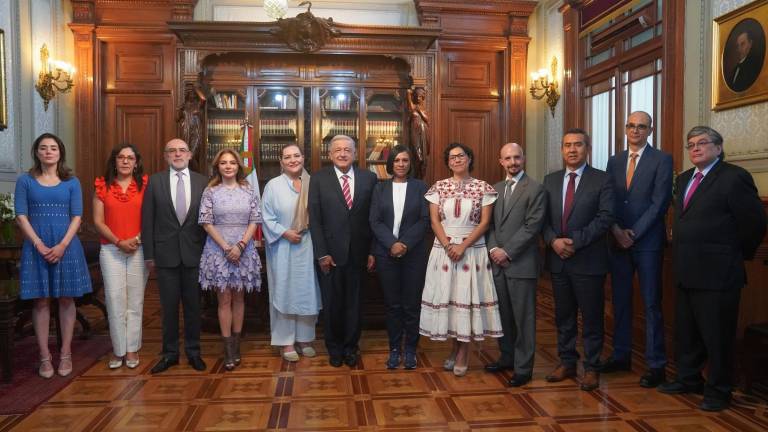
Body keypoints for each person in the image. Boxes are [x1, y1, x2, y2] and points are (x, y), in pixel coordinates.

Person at [658, 126, 766, 412]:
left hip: (719, 273)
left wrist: (733, 255)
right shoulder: (683, 179)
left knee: (718, 336)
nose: (695, 148)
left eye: (702, 143)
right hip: (685, 270)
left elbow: (754, 223)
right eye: (690, 144)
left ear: (718, 148)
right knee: (687, 332)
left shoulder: (734, 177)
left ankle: (719, 391)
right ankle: (688, 378)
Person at [601, 111, 672, 388]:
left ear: (650, 131)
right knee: (619, 301)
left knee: (652, 304)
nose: (635, 131)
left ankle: (656, 365)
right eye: (631, 126)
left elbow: (660, 202)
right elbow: (608, 199)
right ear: (625, 128)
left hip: (648, 243)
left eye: (641, 127)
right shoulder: (615, 160)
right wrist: (617, 231)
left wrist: (635, 234)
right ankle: (621, 355)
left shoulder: (662, 160)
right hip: (617, 240)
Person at [419, 143, 502, 377]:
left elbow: (485, 223)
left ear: (469, 158)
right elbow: (434, 221)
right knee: (451, 299)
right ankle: (455, 348)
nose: (457, 160)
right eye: (452, 157)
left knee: (465, 298)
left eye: (461, 155)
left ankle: (464, 352)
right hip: (443, 251)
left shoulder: (483, 187)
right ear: (448, 162)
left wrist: (463, 245)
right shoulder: (438, 187)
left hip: (471, 251)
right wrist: (448, 245)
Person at [14, 133, 92, 378]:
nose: (48, 152)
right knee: (40, 300)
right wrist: (38, 244)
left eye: (53, 148)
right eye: (44, 148)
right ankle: (44, 356)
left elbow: (77, 216)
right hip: (36, 248)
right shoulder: (25, 181)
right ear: (37, 152)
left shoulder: (72, 182)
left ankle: (66, 352)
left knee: (67, 299)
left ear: (60, 153)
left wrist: (62, 245)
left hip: (66, 247)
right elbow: (20, 215)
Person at [542, 129, 614, 391]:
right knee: (564, 316)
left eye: (578, 145)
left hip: (588, 259)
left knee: (592, 317)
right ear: (562, 150)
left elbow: (605, 218)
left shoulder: (602, 180)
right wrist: (553, 241)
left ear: (587, 148)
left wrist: (574, 241)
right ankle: (567, 361)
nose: (572, 150)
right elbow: (543, 220)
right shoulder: (550, 180)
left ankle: (592, 367)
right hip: (558, 260)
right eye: (567, 145)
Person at [308, 135, 378, 368]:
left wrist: (372, 251)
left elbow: (373, 219)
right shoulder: (318, 179)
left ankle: (351, 347)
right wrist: (321, 253)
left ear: (355, 153)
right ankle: (334, 348)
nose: (342, 153)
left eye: (347, 150)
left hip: (359, 254)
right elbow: (315, 220)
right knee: (332, 305)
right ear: (330, 154)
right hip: (331, 255)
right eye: (337, 150)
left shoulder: (370, 178)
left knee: (354, 305)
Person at [142, 138, 208, 374]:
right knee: (168, 308)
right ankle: (169, 354)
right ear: (165, 156)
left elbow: (209, 220)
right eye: (172, 151)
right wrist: (148, 255)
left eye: (182, 150)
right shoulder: (154, 182)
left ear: (190, 155)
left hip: (195, 254)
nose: (177, 154)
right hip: (165, 255)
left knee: (193, 307)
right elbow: (147, 220)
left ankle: (194, 352)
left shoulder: (204, 182)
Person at [485, 143, 546, 387]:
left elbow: (533, 226)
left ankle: (523, 368)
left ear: (524, 158)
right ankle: (507, 357)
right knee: (503, 317)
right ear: (501, 161)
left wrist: (507, 252)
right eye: (508, 158)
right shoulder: (496, 189)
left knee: (524, 319)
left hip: (521, 264)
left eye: (517, 157)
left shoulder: (536, 189)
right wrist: (492, 250)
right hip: (497, 264)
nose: (513, 162)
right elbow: (488, 225)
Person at [198, 149, 262, 370]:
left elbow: (255, 219)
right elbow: (206, 222)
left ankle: (236, 345)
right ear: (218, 166)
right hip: (218, 250)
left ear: (238, 166)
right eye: (223, 163)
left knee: (239, 299)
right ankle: (227, 349)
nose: (228, 166)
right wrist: (226, 248)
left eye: (232, 163)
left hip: (244, 249)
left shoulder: (248, 190)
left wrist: (241, 245)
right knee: (224, 300)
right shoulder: (210, 192)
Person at [369, 145, 429, 369]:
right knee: (393, 305)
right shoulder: (379, 188)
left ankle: (411, 349)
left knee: (412, 305)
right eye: (397, 160)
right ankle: (394, 349)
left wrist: (404, 244)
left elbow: (425, 220)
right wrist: (392, 244)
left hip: (413, 254)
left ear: (410, 163)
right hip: (386, 254)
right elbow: (374, 221)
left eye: (405, 160)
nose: (401, 164)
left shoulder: (421, 187)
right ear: (390, 164)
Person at [262, 144, 321, 362]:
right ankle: (285, 341)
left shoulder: (312, 183)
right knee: (283, 291)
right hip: (282, 245)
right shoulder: (273, 186)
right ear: (281, 162)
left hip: (308, 244)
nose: (293, 160)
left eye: (296, 155)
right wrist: (284, 233)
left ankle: (305, 338)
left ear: (303, 158)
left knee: (306, 291)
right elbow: (266, 216)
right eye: (287, 157)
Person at [92, 143, 149, 370]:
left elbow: (151, 216)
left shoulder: (145, 185)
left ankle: (132, 348)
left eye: (130, 158)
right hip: (110, 250)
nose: (125, 161)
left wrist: (136, 240)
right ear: (114, 161)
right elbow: (98, 221)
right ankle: (118, 349)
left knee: (135, 300)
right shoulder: (101, 186)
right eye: (121, 157)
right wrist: (118, 242)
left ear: (136, 163)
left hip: (139, 247)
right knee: (115, 300)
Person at [406, 88, 430, 179]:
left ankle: (420, 176)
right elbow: (408, 92)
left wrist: (419, 111)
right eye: (417, 96)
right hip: (415, 132)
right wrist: (411, 93)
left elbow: (427, 120)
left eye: (420, 96)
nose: (418, 98)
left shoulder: (422, 108)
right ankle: (415, 174)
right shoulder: (413, 107)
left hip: (423, 131)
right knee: (417, 155)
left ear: (423, 97)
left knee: (423, 158)